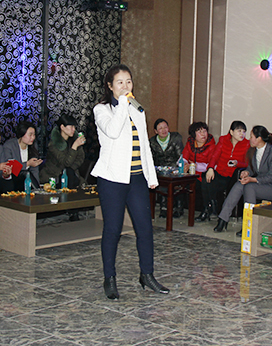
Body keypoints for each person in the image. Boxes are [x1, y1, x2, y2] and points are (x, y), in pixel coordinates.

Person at [91, 63, 168, 300]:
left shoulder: (137, 110)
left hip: (137, 178)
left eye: (129, 81)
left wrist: (151, 176)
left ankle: (147, 275)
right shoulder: (102, 110)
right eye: (120, 82)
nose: (125, 86)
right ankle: (109, 278)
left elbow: (144, 145)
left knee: (145, 228)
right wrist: (124, 103)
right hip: (112, 179)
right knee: (113, 229)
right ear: (110, 86)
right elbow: (113, 131)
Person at [213, 125, 272, 233]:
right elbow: (252, 169)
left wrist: (252, 180)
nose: (249, 139)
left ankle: (248, 224)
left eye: (252, 137)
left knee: (249, 187)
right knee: (239, 185)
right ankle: (223, 219)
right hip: (259, 184)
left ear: (259, 138)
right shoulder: (253, 151)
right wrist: (247, 172)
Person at [197, 120, 249, 222]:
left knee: (210, 183)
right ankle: (210, 208)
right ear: (231, 132)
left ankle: (209, 210)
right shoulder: (223, 140)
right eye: (239, 131)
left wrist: (237, 163)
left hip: (232, 176)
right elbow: (215, 156)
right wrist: (210, 168)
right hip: (220, 172)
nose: (242, 134)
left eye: (244, 131)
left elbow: (247, 164)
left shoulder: (246, 144)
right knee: (206, 178)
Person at [149, 118, 184, 217]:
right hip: (160, 169)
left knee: (177, 183)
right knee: (161, 182)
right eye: (160, 128)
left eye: (165, 127)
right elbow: (151, 158)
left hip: (175, 168)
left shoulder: (176, 138)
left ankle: (179, 208)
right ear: (156, 131)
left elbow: (180, 156)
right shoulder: (152, 141)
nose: (163, 130)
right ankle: (164, 207)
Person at [40, 114, 85, 188]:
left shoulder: (74, 140)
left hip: (71, 176)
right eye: (71, 127)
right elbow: (66, 163)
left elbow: (80, 158)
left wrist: (70, 168)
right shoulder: (54, 144)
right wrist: (74, 147)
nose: (73, 129)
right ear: (62, 127)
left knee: (71, 175)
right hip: (53, 178)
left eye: (74, 127)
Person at [181, 121, 216, 212]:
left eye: (205, 131)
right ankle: (178, 208)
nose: (203, 134)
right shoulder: (190, 143)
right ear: (194, 134)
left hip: (204, 175)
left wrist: (195, 166)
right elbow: (184, 157)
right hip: (191, 173)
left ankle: (205, 210)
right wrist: (184, 165)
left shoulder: (212, 146)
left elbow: (213, 165)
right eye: (199, 132)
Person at [2, 121, 43, 190]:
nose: (33, 137)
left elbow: (34, 170)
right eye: (30, 135)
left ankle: (37, 190)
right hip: (13, 179)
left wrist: (37, 184)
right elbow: (11, 167)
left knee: (28, 174)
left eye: (34, 135)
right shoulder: (9, 145)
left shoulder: (33, 145)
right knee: (25, 173)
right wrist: (28, 164)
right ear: (22, 134)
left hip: (28, 180)